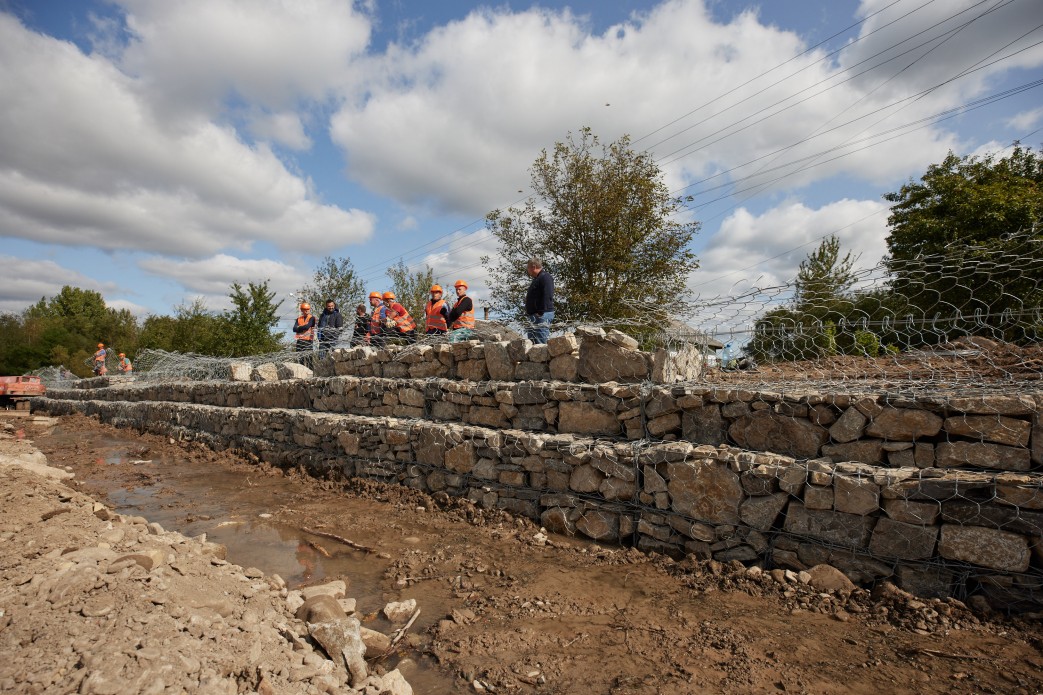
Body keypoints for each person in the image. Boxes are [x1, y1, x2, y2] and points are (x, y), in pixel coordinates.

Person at [524, 258, 554, 345]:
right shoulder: (537, 278)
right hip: (534, 315)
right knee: (532, 343)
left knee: (541, 342)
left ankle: (544, 359)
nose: (527, 270)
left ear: (533, 267)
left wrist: (541, 312)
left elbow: (548, 295)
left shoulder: (545, 277)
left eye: (528, 268)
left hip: (542, 315)